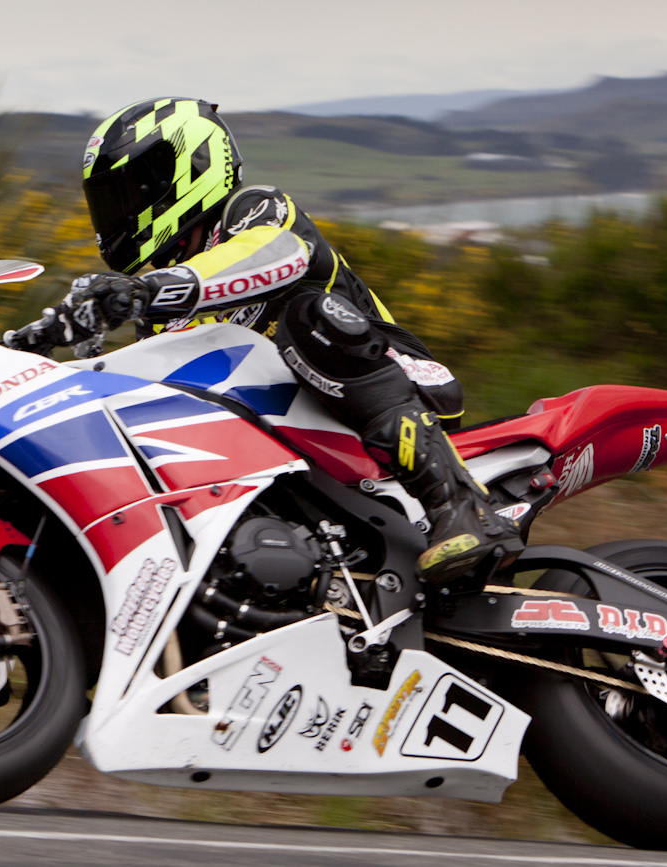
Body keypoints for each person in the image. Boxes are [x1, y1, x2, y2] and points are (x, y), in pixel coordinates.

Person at [63, 97, 520, 585]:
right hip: (301, 439)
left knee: (310, 319)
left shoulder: (256, 210)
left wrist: (149, 291)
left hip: (402, 377)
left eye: (129, 193)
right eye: (109, 200)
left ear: (186, 169)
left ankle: (463, 505)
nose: (118, 213)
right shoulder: (158, 316)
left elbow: (270, 255)